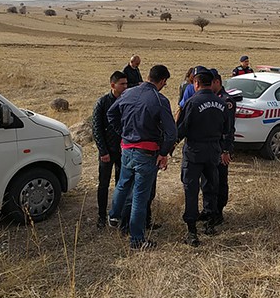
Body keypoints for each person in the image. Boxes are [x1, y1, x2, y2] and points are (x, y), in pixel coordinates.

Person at [107, 65, 177, 250]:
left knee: (122, 185)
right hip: (146, 153)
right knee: (139, 196)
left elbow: (111, 113)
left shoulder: (128, 93)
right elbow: (171, 133)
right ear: (162, 81)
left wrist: (123, 133)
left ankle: (114, 215)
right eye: (165, 83)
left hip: (127, 149)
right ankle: (136, 240)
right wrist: (163, 153)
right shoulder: (159, 100)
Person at [176, 66, 229, 247]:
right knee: (211, 186)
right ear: (211, 83)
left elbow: (182, 128)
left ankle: (192, 231)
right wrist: (225, 150)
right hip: (213, 150)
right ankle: (210, 223)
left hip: (194, 151)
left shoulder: (192, 102)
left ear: (197, 83)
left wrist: (170, 144)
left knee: (191, 189)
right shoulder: (222, 103)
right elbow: (228, 130)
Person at [197, 68, 235, 225]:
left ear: (217, 82)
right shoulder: (211, 98)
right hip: (209, 148)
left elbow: (229, 128)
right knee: (207, 180)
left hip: (220, 148)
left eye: (210, 83)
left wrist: (226, 150)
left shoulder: (227, 101)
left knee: (219, 181)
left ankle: (218, 211)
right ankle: (208, 210)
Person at [92, 71, 127, 229]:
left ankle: (117, 214)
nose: (125, 86)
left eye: (126, 84)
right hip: (107, 151)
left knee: (121, 184)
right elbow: (97, 129)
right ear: (113, 85)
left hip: (123, 151)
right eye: (122, 84)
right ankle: (101, 215)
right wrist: (103, 151)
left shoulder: (127, 101)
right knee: (104, 184)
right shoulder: (102, 102)